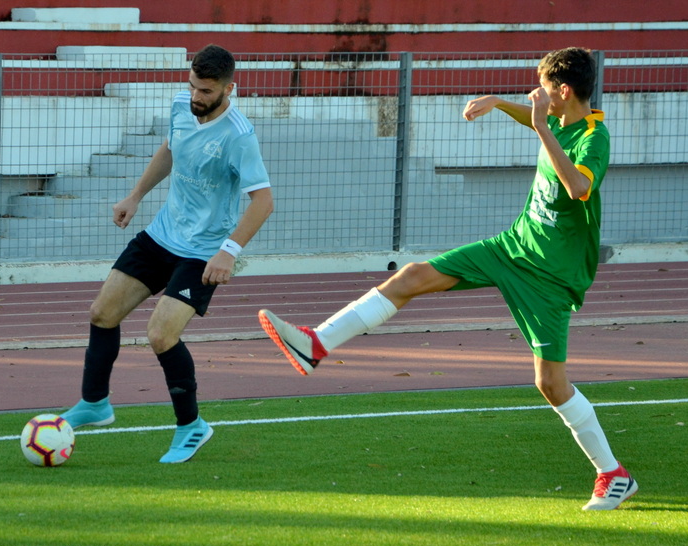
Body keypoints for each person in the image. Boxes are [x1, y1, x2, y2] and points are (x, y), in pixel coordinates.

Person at [258, 47, 637, 510]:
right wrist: (499, 103)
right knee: (414, 276)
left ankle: (613, 474)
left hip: (551, 276)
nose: (534, 95)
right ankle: (316, 343)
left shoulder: (594, 137)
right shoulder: (556, 118)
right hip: (513, 246)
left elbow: (578, 188)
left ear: (563, 90)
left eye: (542, 88)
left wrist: (540, 124)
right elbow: (536, 118)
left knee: (551, 384)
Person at [62, 44, 274, 464]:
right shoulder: (181, 105)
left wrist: (228, 252)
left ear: (229, 89)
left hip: (202, 253)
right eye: (193, 86)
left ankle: (191, 426)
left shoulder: (238, 135)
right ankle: (95, 403)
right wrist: (136, 195)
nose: (196, 96)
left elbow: (263, 202)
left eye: (206, 91)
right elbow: (170, 149)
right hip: (161, 236)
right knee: (102, 313)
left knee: (161, 335)